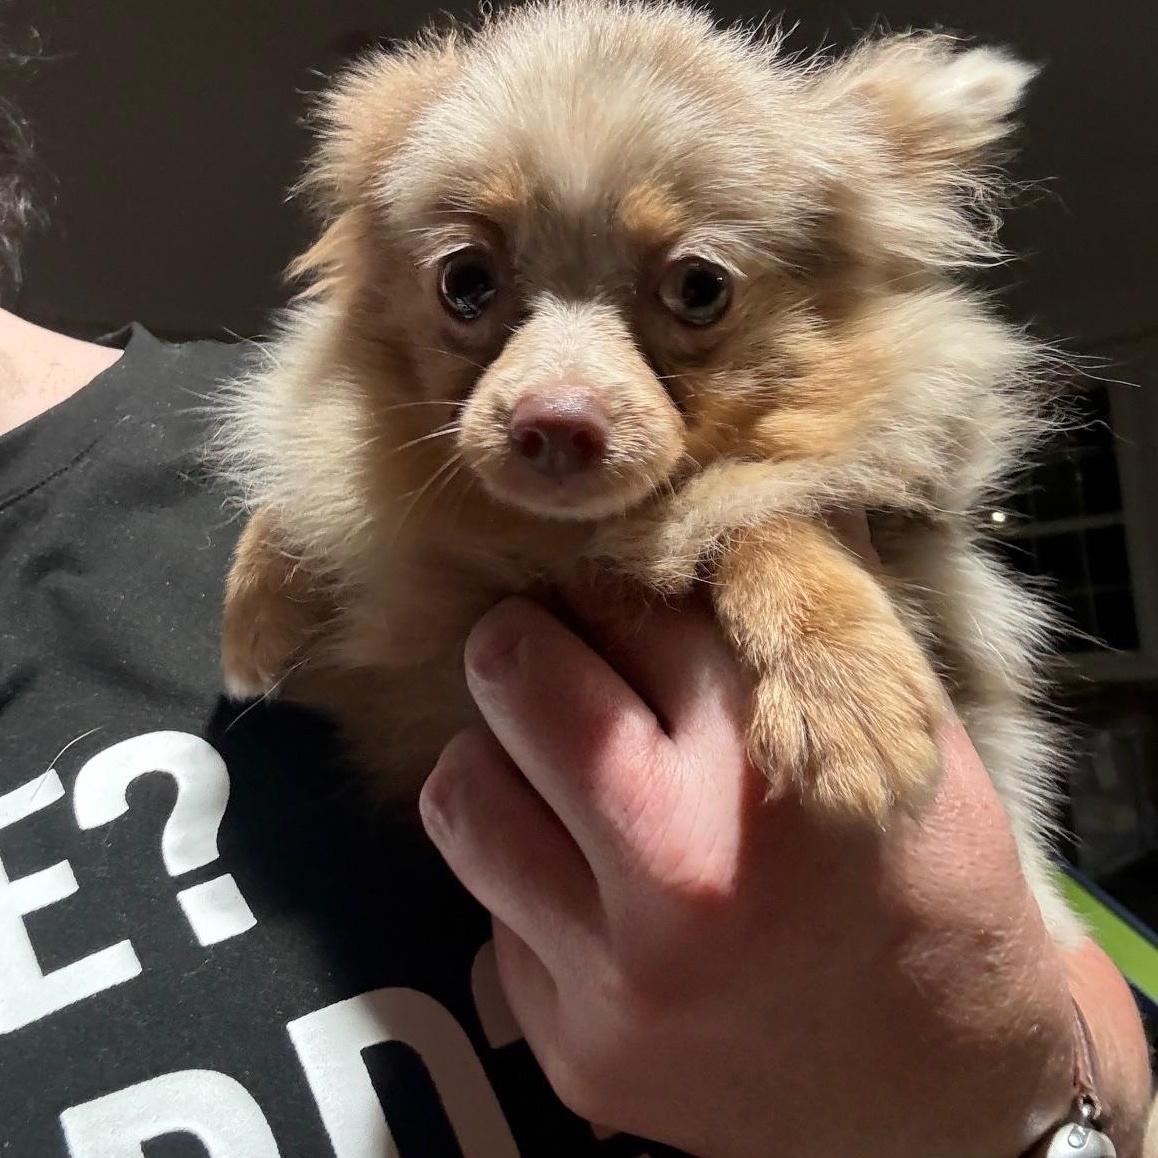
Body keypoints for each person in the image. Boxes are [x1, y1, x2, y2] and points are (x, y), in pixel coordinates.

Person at [0, 61, 1151, 1158]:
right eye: (470, 283)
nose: (560, 396)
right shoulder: (323, 453)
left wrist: (1001, 1102)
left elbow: (1071, 992)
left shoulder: (179, 441)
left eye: (695, 290)